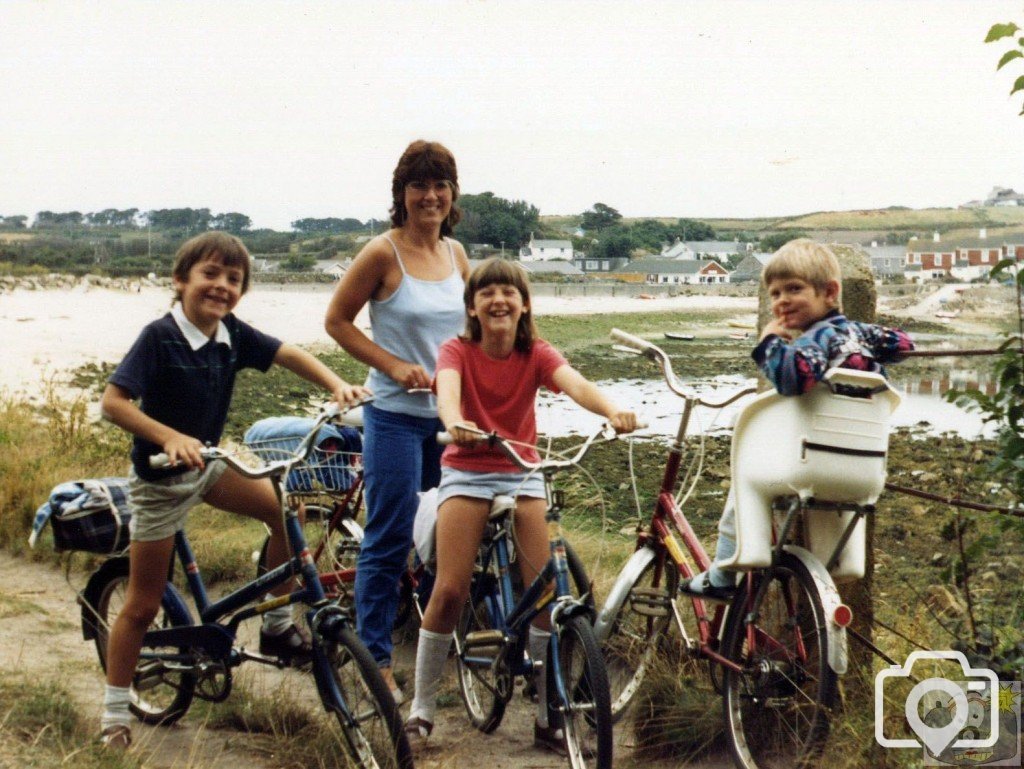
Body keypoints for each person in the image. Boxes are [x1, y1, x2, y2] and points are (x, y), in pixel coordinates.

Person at [98, 232, 368, 749]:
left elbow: (287, 353)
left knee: (288, 512)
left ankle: (279, 623)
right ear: (181, 281)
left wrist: (336, 385)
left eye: (233, 279)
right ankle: (114, 714)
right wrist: (168, 436)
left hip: (210, 467)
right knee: (141, 601)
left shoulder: (232, 334)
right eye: (210, 274)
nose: (221, 286)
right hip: (160, 481)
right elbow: (115, 403)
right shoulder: (159, 337)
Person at [403, 258, 637, 753]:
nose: (498, 300)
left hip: (523, 471)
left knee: (547, 593)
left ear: (524, 303)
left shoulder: (536, 353)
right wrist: (455, 420)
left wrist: (612, 409)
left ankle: (547, 711)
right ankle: (421, 709)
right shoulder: (457, 349)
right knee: (449, 590)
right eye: (485, 292)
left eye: (508, 291)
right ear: (472, 306)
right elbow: (447, 392)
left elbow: (575, 383)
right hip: (467, 470)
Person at [681, 238, 914, 601]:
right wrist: (869, 343)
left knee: (743, 484)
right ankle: (833, 565)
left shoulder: (816, 338)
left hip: (807, 461)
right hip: (862, 467)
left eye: (794, 289)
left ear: (830, 292)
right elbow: (903, 345)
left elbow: (794, 379)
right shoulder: (857, 333)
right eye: (774, 294)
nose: (781, 301)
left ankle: (725, 574)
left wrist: (769, 344)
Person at [324, 140, 470, 700]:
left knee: (447, 538)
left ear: (452, 193)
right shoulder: (382, 253)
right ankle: (376, 661)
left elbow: (471, 332)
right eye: (418, 185)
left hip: (449, 419)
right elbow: (338, 321)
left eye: (440, 185)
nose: (430, 196)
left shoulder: (457, 256)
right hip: (393, 416)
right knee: (387, 537)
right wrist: (392, 365)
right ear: (401, 194)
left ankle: (433, 652)